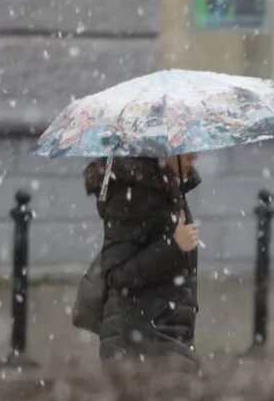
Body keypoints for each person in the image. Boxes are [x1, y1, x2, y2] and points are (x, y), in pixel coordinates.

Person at [86, 154, 202, 369]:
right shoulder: (132, 197)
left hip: (166, 336)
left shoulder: (171, 195)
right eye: (185, 147)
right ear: (161, 150)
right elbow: (117, 275)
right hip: (140, 343)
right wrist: (173, 246)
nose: (195, 155)